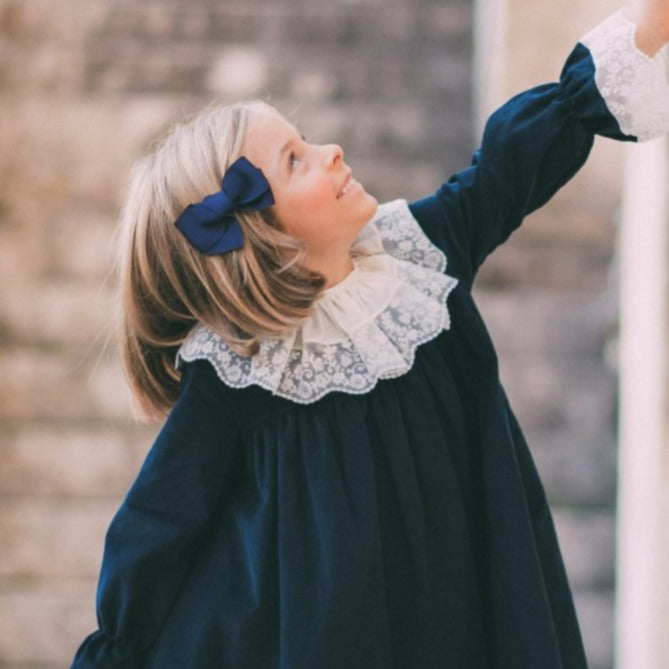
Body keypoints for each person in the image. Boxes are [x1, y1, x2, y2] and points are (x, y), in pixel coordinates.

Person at [71, 2, 669, 667]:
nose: (332, 153)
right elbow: (155, 533)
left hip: (465, 610)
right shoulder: (242, 372)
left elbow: (509, 166)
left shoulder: (416, 257)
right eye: (296, 160)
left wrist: (648, 28)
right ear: (262, 236)